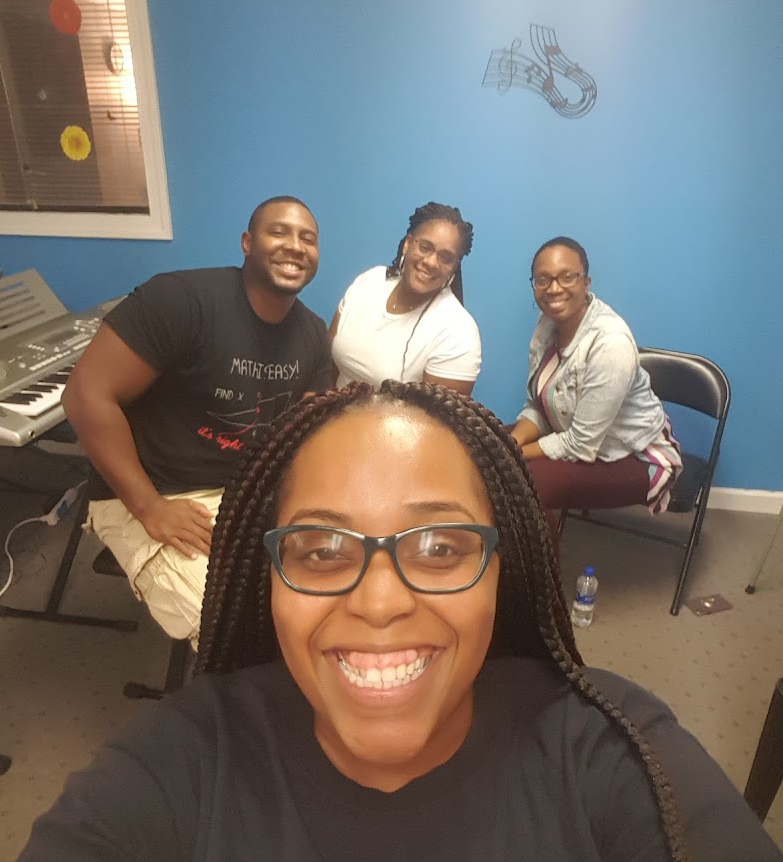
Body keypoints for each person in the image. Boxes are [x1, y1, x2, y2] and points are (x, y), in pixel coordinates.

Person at [0, 381, 782, 862]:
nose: (378, 602)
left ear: (501, 568)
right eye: (321, 548)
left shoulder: (615, 750)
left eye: (438, 546)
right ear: (270, 576)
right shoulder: (175, 765)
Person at [62, 195, 331, 647]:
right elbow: (85, 395)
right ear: (247, 242)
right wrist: (148, 507)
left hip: (244, 495)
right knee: (237, 633)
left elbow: (302, 436)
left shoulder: (313, 334)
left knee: (330, 596)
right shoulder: (181, 300)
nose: (295, 246)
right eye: (278, 231)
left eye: (308, 238)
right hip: (153, 492)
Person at [511, 236, 683, 514]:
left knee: (528, 485)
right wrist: (511, 444)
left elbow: (581, 444)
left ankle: (533, 545)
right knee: (486, 448)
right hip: (574, 437)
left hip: (637, 456)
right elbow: (538, 405)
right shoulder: (548, 325)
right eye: (543, 279)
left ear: (586, 282)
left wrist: (514, 455)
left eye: (567, 277)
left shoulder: (610, 343)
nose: (554, 288)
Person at [329, 202, 482, 394]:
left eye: (445, 257)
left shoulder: (458, 331)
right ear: (408, 244)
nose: (431, 262)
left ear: (454, 266)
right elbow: (329, 365)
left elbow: (438, 413)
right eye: (425, 247)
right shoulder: (369, 282)